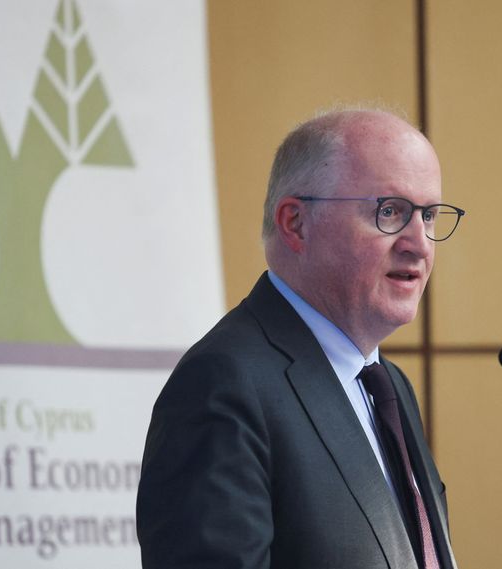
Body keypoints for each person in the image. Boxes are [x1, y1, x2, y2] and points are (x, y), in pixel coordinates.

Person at [136, 108, 464, 569]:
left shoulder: (388, 386)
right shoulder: (223, 384)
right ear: (295, 223)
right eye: (390, 212)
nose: (420, 243)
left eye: (428, 216)